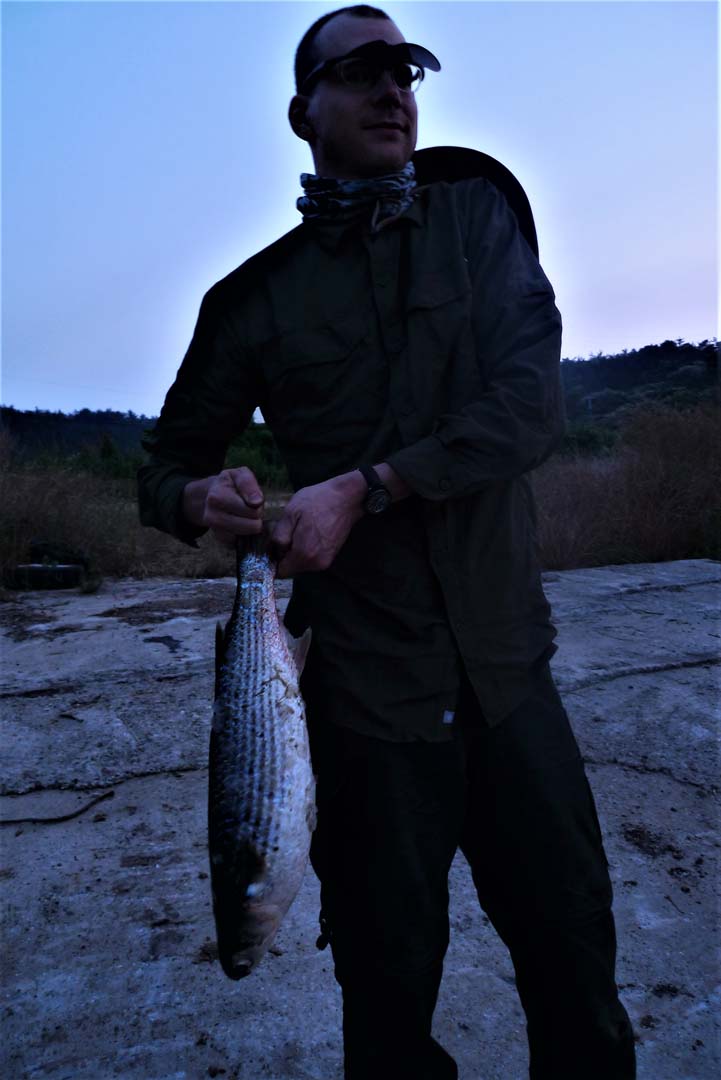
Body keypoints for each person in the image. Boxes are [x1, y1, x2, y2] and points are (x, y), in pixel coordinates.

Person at [138, 6, 637, 1078]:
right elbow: (162, 466)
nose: (391, 90)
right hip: (366, 707)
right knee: (388, 996)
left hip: (509, 678)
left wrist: (368, 487)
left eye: (405, 70)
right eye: (359, 72)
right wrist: (201, 500)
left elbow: (526, 408)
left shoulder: (476, 224)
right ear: (301, 110)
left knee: (576, 976)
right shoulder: (251, 303)